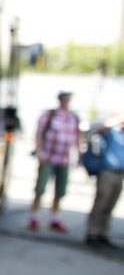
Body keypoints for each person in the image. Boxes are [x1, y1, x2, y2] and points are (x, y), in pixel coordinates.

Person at [30, 91, 81, 232]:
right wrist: (39, 150)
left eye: (68, 99)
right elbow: (39, 132)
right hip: (48, 157)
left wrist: (78, 155)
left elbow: (77, 136)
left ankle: (55, 218)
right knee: (40, 188)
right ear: (59, 100)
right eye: (64, 99)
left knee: (60, 191)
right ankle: (34, 217)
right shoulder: (49, 115)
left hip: (64, 159)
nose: (66, 102)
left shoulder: (73, 117)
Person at [86, 113, 124, 249]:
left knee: (110, 205)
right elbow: (95, 128)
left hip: (120, 173)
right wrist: (116, 120)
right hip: (107, 171)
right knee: (101, 202)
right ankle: (92, 233)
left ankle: (102, 233)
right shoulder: (111, 131)